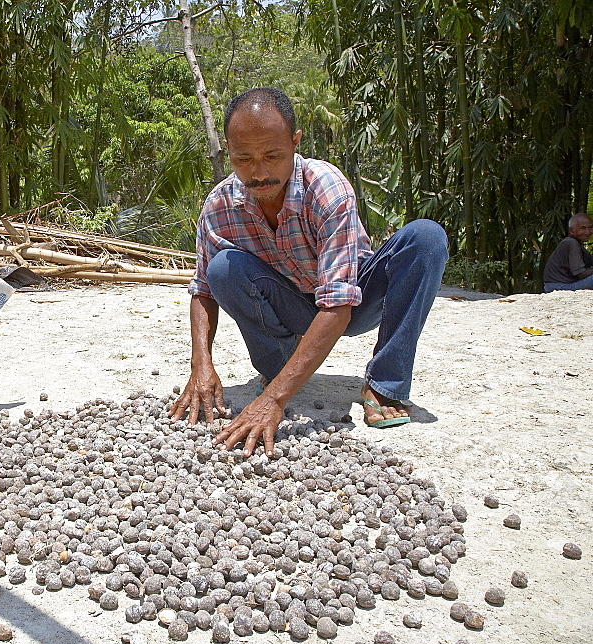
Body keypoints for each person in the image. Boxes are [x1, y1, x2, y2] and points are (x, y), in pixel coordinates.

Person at [169, 87, 448, 457]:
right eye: (244, 158)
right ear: (228, 149)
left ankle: (384, 385)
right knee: (222, 269)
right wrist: (200, 365)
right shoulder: (220, 205)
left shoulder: (325, 189)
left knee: (425, 238)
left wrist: (273, 401)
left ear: (295, 142)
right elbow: (203, 290)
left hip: (353, 297)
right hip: (290, 302)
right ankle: (279, 364)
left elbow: (337, 306)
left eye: (272, 156)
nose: (259, 172)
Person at [543, 213, 593, 291]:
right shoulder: (571, 243)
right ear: (571, 230)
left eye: (590, 227)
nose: (588, 232)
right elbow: (581, 274)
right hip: (559, 286)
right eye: (583, 228)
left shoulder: (575, 243)